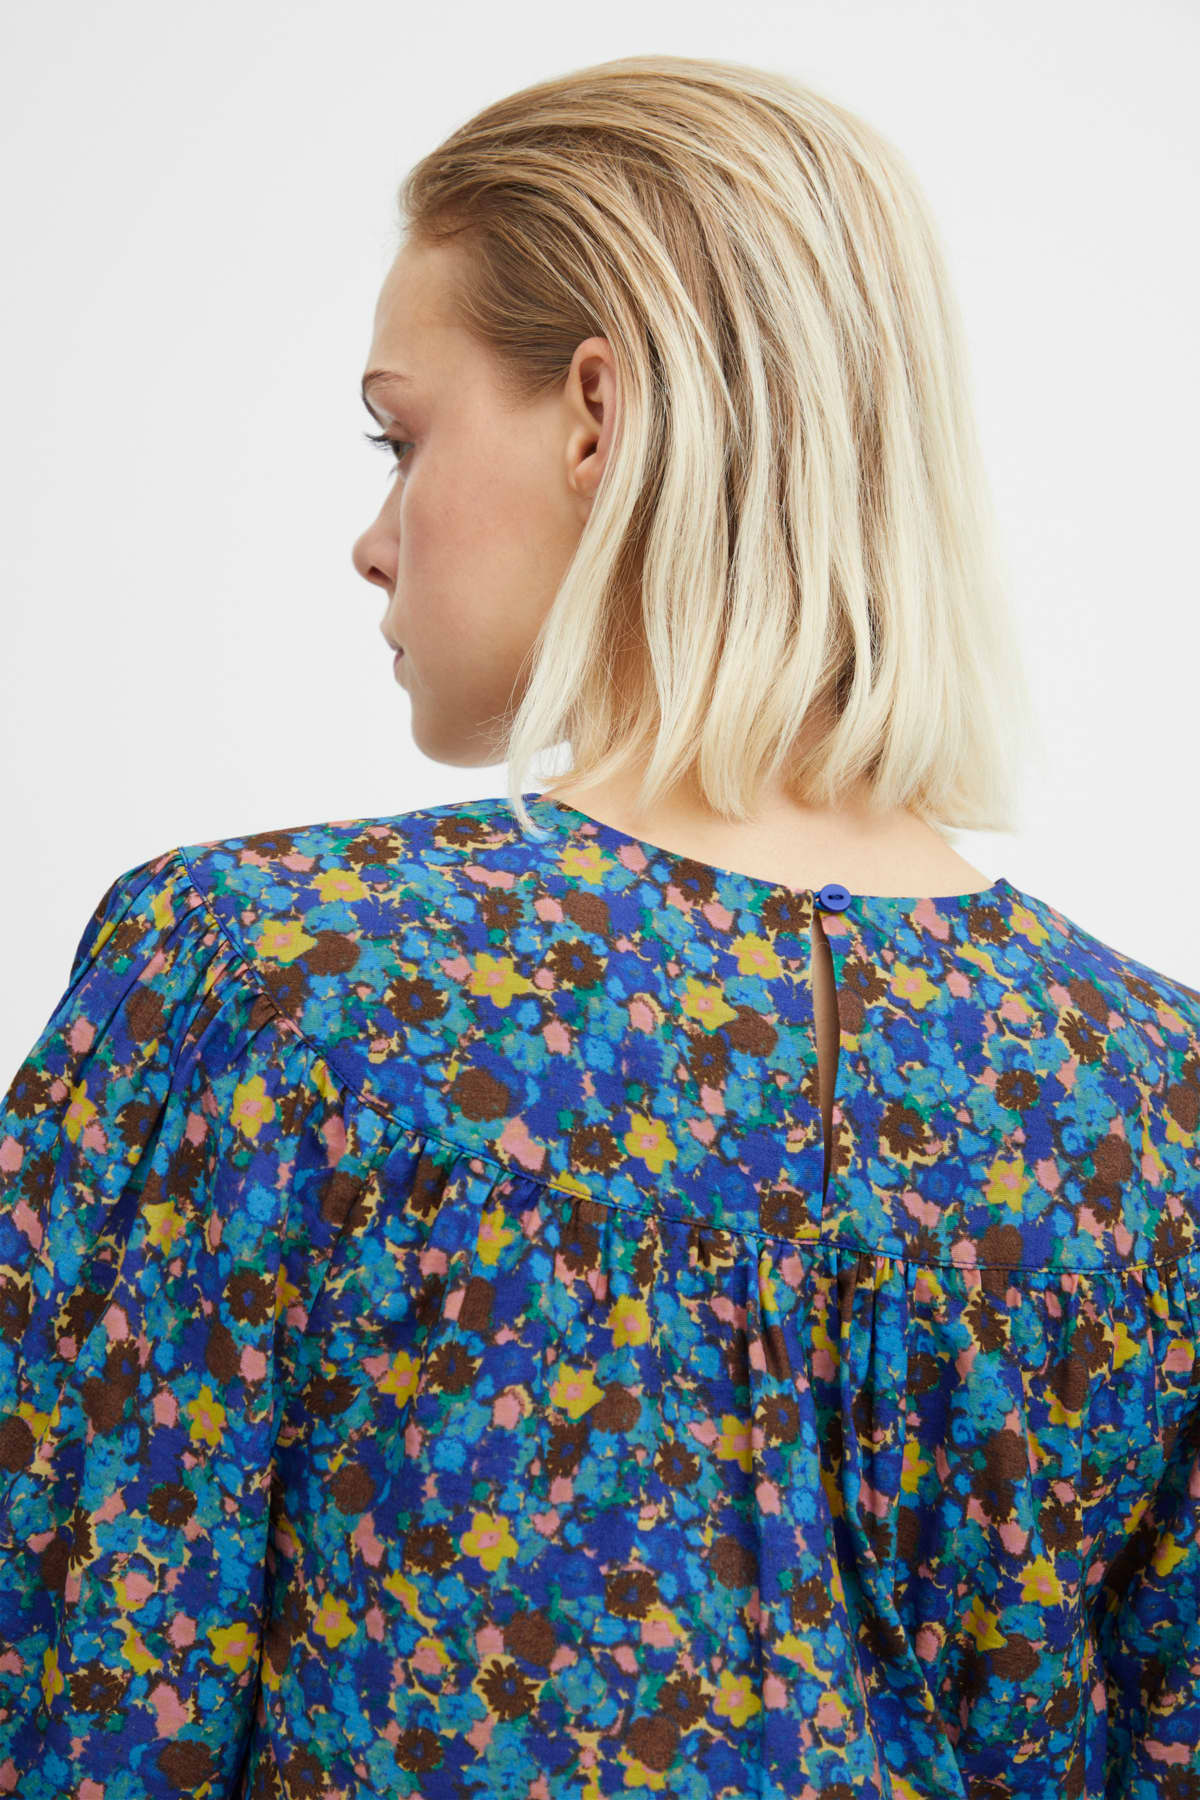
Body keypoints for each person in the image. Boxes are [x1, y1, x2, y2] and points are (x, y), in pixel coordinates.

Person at [2, 52, 1197, 1800]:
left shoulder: (272, 985)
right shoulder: (1153, 1103)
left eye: (402, 436)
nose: (373, 539)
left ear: (596, 415)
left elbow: (81, 1700)